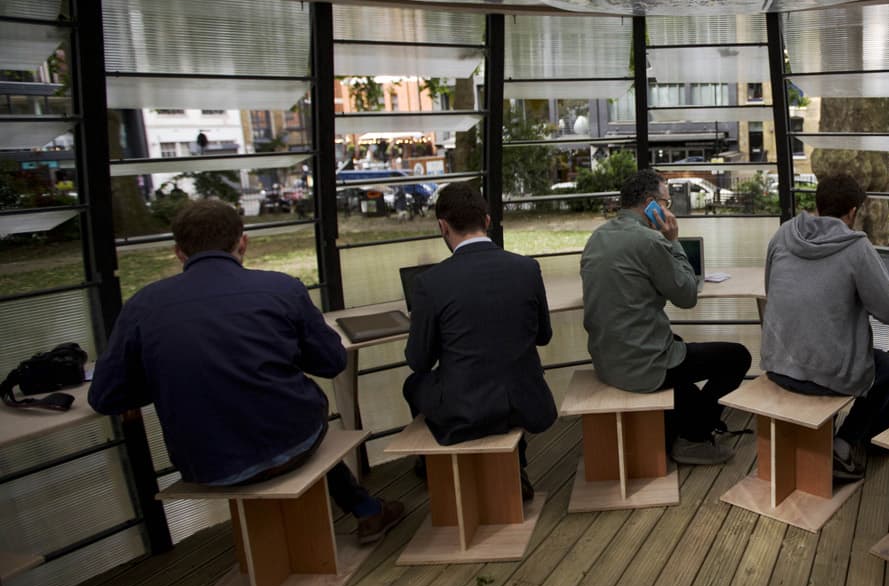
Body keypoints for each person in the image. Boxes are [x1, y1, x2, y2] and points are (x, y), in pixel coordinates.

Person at [89, 200, 404, 544]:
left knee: (262, 422)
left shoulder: (141, 306)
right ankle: (367, 510)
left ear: (179, 252)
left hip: (206, 464)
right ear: (243, 242)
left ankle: (364, 509)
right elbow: (332, 362)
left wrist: (168, 377)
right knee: (286, 418)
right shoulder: (282, 289)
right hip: (292, 441)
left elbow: (105, 396)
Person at [580, 169, 750, 466]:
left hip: (607, 359)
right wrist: (673, 241)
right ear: (650, 204)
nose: (668, 210)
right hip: (642, 364)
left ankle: (682, 425)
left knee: (679, 346)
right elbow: (686, 297)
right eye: (666, 203)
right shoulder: (651, 241)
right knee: (737, 357)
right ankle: (695, 439)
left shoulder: (597, 237)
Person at [403, 183, 555, 498]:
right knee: (502, 371)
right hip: (526, 402)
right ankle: (518, 467)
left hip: (467, 412)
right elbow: (544, 336)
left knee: (412, 385)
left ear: (442, 226)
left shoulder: (430, 284)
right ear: (487, 221)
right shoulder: (527, 268)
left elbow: (419, 361)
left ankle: (431, 466)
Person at [760, 174, 889, 481]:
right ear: (852, 212)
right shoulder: (856, 247)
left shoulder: (784, 234)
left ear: (818, 204)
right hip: (824, 378)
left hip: (777, 365)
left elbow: (771, 288)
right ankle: (844, 444)